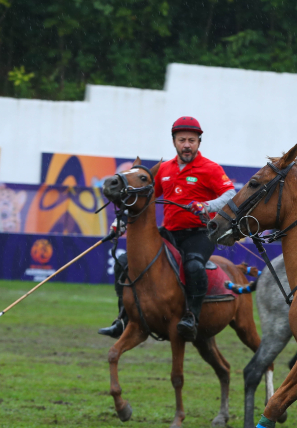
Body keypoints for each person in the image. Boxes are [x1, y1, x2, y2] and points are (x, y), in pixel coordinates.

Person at [99, 116, 237, 341]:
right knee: (124, 262)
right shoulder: (163, 170)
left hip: (200, 233)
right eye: (182, 139)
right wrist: (120, 222)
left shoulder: (210, 168)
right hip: (170, 233)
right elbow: (141, 201)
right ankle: (123, 318)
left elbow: (231, 194)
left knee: (193, 265)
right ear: (174, 142)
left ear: (198, 143)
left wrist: (206, 205)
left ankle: (191, 317)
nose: (186, 145)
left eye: (192, 140)